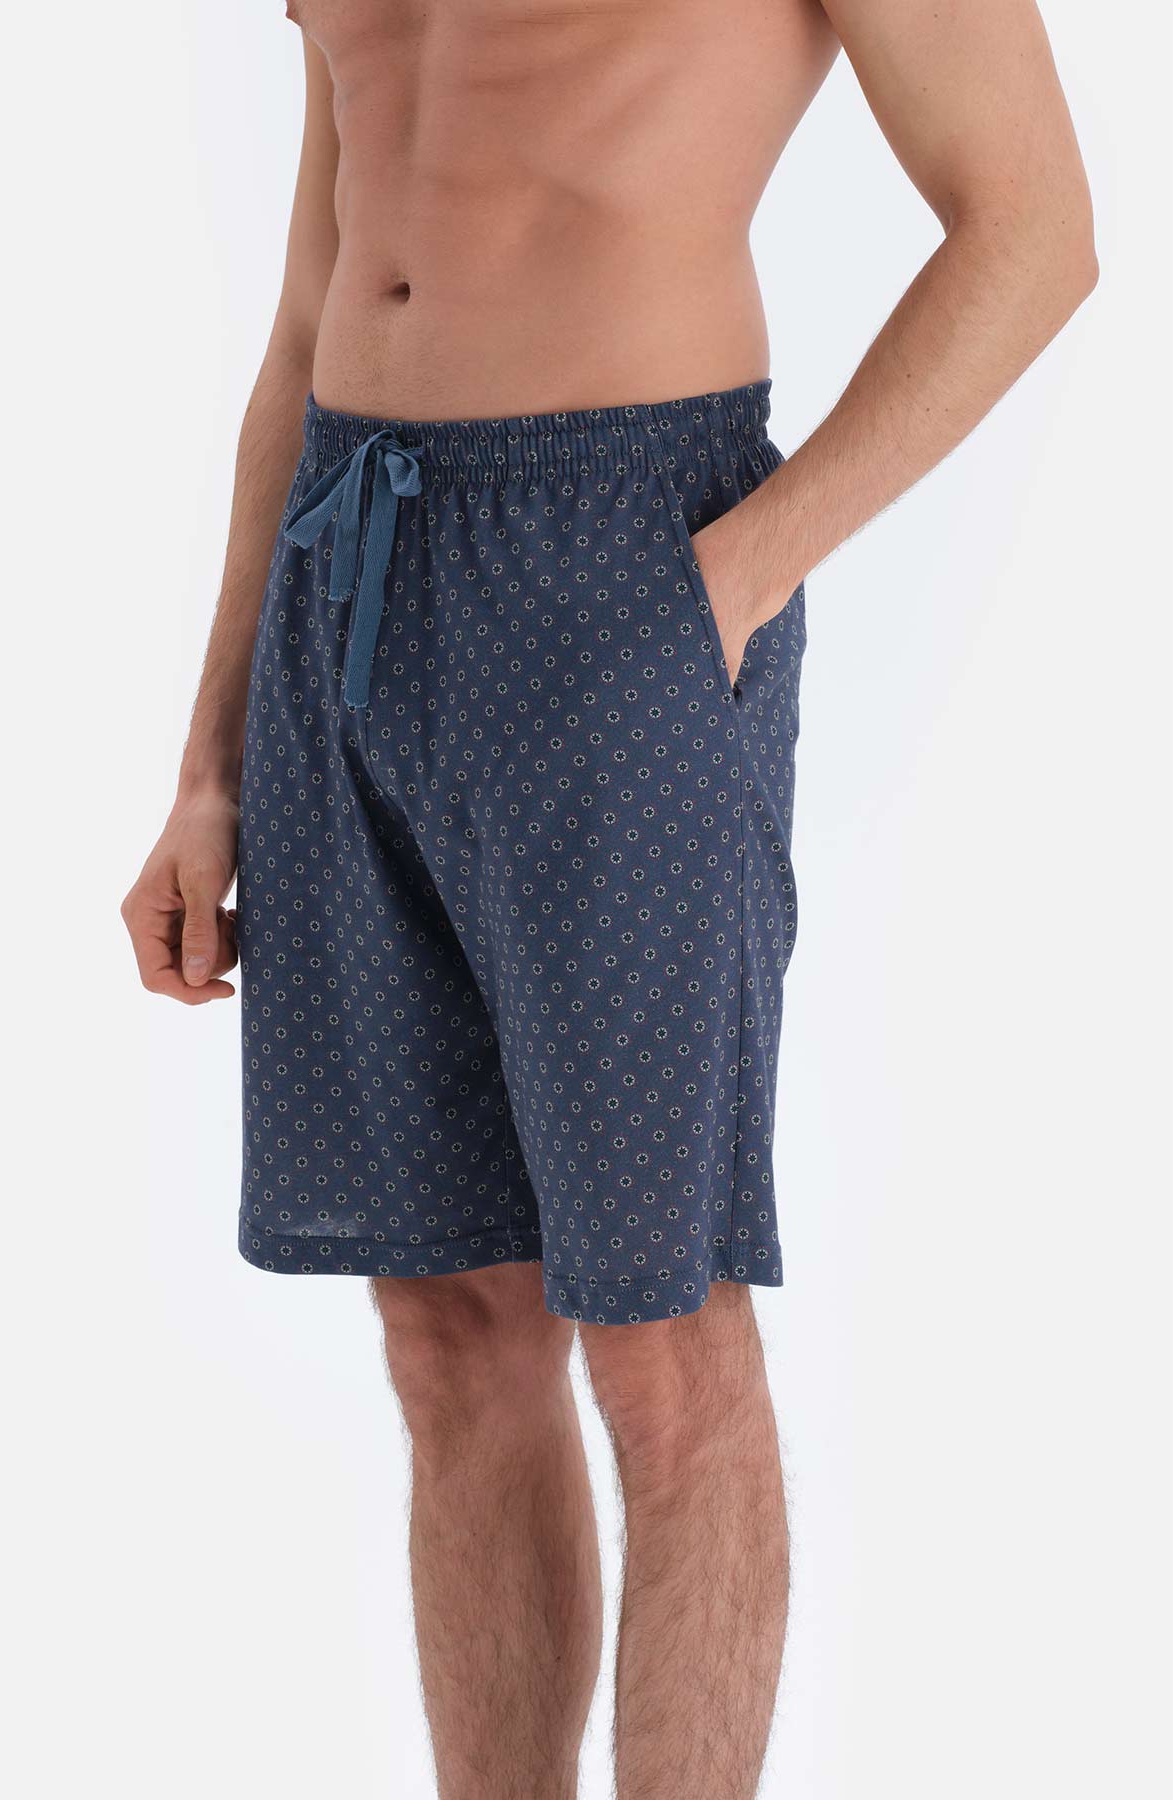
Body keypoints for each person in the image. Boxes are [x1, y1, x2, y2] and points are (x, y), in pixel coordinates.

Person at [122, 3, 1095, 1793]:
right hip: (350, 564)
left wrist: (737, 572)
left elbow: (1035, 223)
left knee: (660, 1337)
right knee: (444, 1333)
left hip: (624, 563)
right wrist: (212, 762)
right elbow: (309, 305)